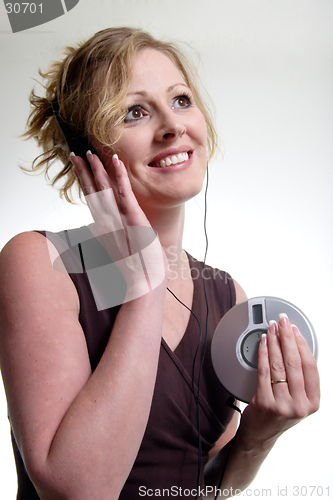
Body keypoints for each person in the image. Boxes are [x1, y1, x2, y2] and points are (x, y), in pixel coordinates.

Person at [0, 27, 320, 500]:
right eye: (135, 112)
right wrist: (144, 285)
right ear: (86, 153)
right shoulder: (41, 262)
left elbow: (201, 487)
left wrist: (260, 434)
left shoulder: (226, 295)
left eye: (182, 100)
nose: (173, 125)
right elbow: (76, 490)